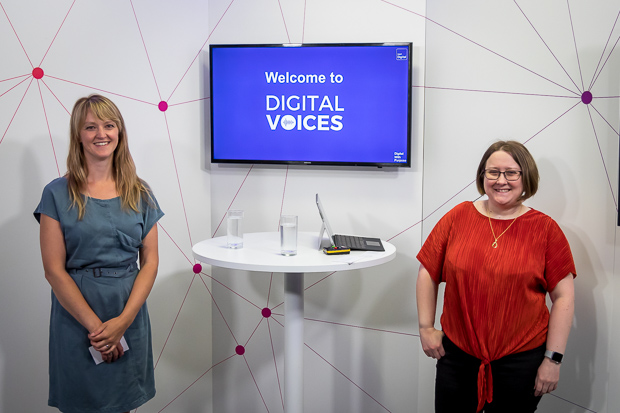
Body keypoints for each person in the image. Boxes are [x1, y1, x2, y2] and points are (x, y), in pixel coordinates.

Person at [416, 140, 576, 413]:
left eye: (511, 172)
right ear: (483, 176)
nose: (501, 180)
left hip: (522, 363)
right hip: (457, 357)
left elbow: (563, 298)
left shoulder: (545, 229)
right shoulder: (458, 217)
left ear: (525, 177)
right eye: (493, 172)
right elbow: (427, 271)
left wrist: (553, 360)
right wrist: (425, 327)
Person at [34, 94, 164, 413]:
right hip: (78, 317)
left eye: (109, 125)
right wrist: (99, 330)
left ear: (120, 132)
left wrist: (122, 322)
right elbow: (53, 270)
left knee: (123, 405)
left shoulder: (140, 191)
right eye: (90, 127)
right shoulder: (56, 193)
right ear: (78, 135)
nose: (101, 134)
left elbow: (150, 262)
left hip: (128, 311)